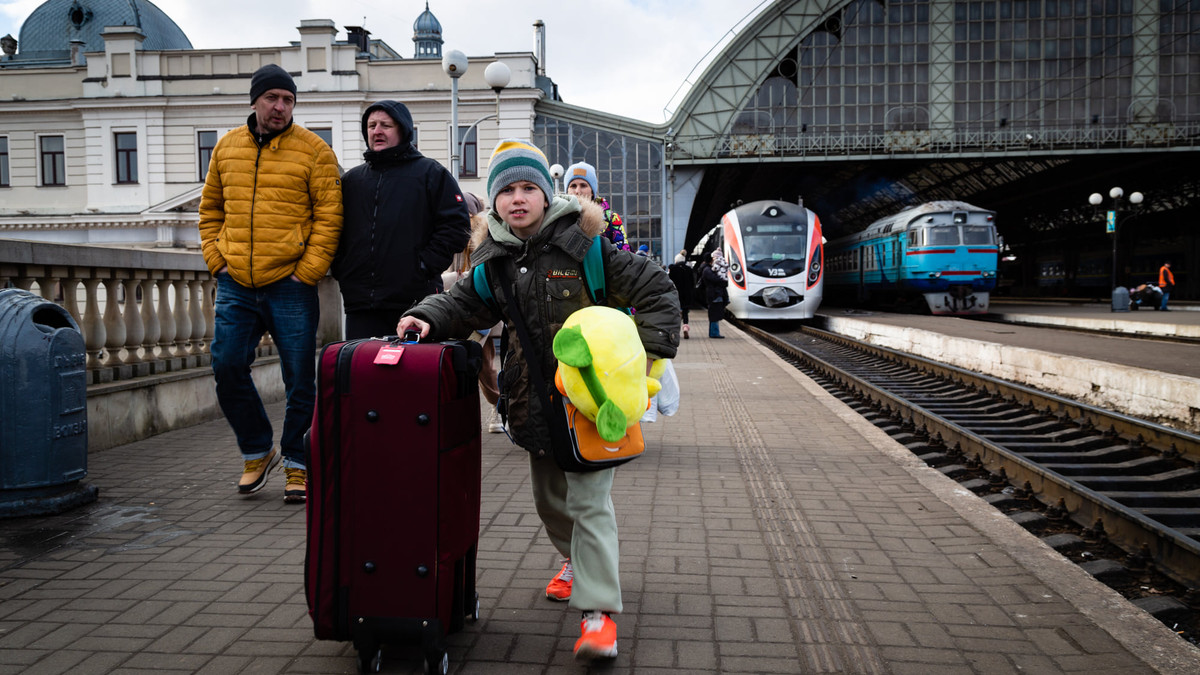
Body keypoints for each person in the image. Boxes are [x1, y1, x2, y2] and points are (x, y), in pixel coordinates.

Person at [398, 139, 680, 660]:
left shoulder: (586, 246)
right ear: (495, 201)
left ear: (547, 195)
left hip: (589, 404)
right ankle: (575, 563)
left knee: (590, 505)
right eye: (506, 190)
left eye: (529, 187)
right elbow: (461, 302)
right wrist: (427, 316)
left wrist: (649, 355)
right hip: (532, 404)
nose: (517, 198)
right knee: (552, 504)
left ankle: (599, 615)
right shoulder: (492, 261)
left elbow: (657, 288)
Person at [198, 63, 343, 504]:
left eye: (288, 100)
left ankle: (298, 463)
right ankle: (258, 450)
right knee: (225, 366)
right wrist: (216, 260)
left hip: (291, 284)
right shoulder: (226, 149)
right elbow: (210, 212)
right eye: (272, 98)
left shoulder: (315, 151)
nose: (280, 107)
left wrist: (308, 271)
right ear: (255, 100)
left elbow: (329, 218)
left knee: (300, 377)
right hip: (237, 281)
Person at [333, 100, 470, 339]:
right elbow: (333, 228)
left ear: (403, 130)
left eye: (386, 125)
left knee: (412, 373)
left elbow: (456, 228)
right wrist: (342, 268)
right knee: (363, 373)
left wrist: (422, 266)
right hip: (361, 305)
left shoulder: (430, 173)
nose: (377, 131)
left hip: (416, 304)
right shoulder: (352, 181)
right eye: (371, 125)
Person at [441, 192, 505, 434]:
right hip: (454, 306)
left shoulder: (482, 232)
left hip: (480, 309)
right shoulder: (450, 232)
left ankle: (498, 405)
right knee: (470, 362)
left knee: (483, 364)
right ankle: (489, 407)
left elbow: (483, 271)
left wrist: (458, 279)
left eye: (467, 212)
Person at [563, 161, 631, 251]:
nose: (577, 191)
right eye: (573, 186)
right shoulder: (557, 217)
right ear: (567, 191)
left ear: (592, 192)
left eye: (583, 185)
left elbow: (625, 254)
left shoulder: (611, 219)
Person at [702, 249, 729, 338]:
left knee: (714, 314)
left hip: (713, 294)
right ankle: (714, 333)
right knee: (714, 314)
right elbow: (715, 279)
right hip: (714, 294)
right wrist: (723, 282)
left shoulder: (707, 269)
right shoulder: (707, 270)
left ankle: (714, 333)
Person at [668, 250, 695, 339]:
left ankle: (675, 332)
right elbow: (692, 283)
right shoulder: (689, 269)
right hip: (686, 295)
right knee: (685, 312)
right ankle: (686, 327)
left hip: (676, 294)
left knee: (675, 313)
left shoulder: (673, 269)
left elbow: (669, 282)